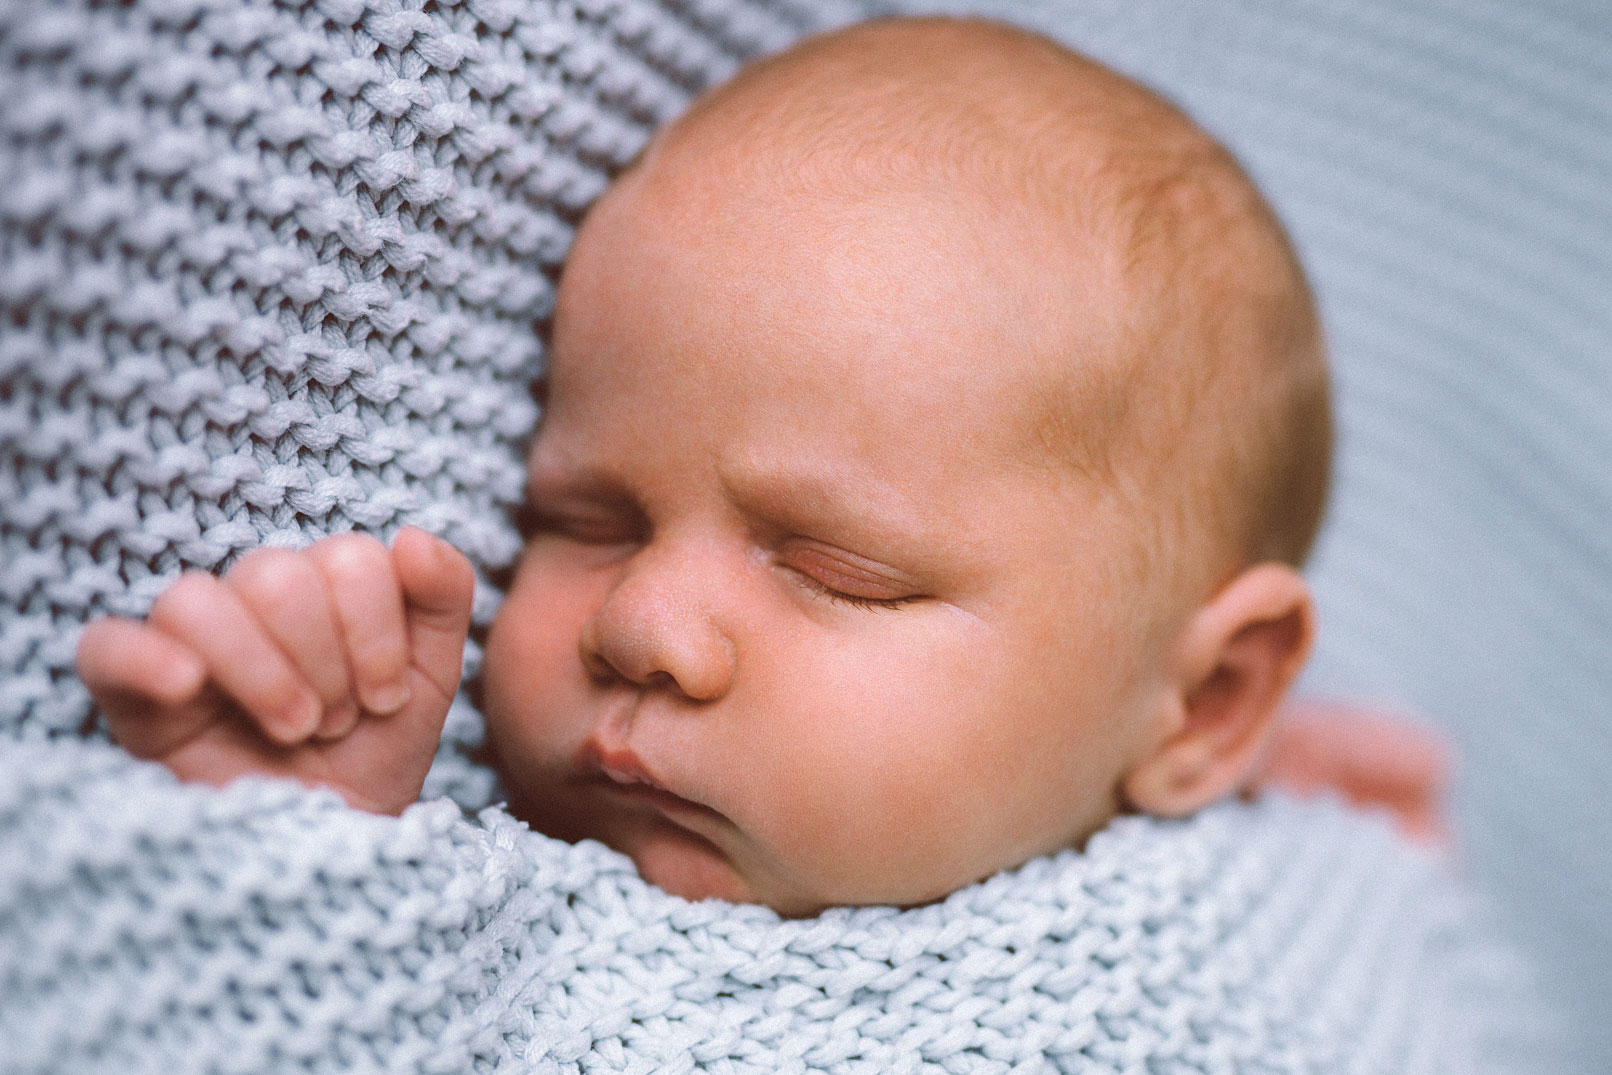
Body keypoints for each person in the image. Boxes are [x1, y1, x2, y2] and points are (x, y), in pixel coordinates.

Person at [77, 15, 1336, 917]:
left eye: (840, 570)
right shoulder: (521, 917)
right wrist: (309, 854)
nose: (641, 626)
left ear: (1211, 699)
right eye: (585, 519)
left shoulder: (1299, 940)